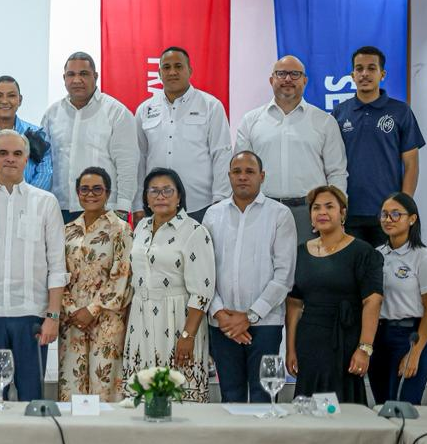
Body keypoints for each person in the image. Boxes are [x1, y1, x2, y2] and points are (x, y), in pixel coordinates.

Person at [0, 130, 68, 403]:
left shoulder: (46, 203)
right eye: (3, 153)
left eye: (17, 154)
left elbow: (57, 265)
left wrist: (53, 317)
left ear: (27, 159)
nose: (10, 159)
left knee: (32, 399)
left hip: (32, 316)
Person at [202, 151, 297, 403]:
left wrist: (249, 316)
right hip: (222, 324)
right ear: (229, 176)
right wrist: (220, 314)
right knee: (230, 396)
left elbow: (284, 275)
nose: (243, 177)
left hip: (266, 324)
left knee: (263, 397)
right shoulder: (213, 214)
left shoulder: (280, 214)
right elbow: (204, 272)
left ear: (262, 176)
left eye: (250, 171)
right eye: (237, 171)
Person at [285, 185, 383, 404]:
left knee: (344, 410)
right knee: (307, 410)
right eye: (316, 208)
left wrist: (364, 348)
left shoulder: (363, 252)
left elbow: (373, 301)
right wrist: (290, 349)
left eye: (329, 207)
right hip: (309, 342)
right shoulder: (300, 252)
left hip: (345, 342)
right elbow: (294, 304)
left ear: (343, 213)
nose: (322, 212)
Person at [234, 55, 347, 243]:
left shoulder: (325, 122)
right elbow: (242, 173)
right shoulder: (250, 121)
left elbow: (337, 172)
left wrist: (334, 213)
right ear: (271, 80)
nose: (288, 79)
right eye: (281, 74)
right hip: (263, 210)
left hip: (310, 213)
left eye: (295, 74)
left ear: (305, 80)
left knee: (308, 262)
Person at [125, 168, 215, 401]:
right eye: (154, 191)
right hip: (141, 317)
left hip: (177, 318)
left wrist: (188, 335)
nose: (160, 196)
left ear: (179, 196)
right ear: (146, 197)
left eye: (167, 190)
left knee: (179, 394)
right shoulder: (141, 227)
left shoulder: (194, 231)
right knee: (142, 395)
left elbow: (202, 291)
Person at [332, 45, 424, 247]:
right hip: (349, 211)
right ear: (352, 75)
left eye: (371, 68)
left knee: (389, 267)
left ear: (382, 74)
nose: (364, 74)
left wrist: (403, 207)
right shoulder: (339, 113)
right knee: (353, 267)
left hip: (388, 213)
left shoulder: (401, 111)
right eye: (359, 68)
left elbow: (411, 164)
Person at [58, 167, 132, 402]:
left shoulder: (121, 229)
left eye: (97, 189)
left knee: (104, 386)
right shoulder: (67, 231)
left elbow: (122, 275)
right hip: (73, 321)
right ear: (78, 193)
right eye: (85, 189)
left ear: (108, 193)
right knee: (72, 387)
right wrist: (72, 309)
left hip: (107, 319)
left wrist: (92, 310)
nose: (90, 194)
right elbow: (58, 273)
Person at [134, 47, 231, 224]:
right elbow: (139, 158)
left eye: (178, 66)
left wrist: (221, 200)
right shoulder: (144, 110)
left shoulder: (211, 106)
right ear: (159, 73)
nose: (172, 72)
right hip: (157, 205)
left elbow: (221, 154)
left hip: (200, 205)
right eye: (166, 67)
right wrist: (137, 204)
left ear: (190, 71)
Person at [41, 52, 139, 223]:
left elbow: (127, 165)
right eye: (71, 74)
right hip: (60, 208)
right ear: (64, 78)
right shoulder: (52, 114)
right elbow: (44, 163)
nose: (77, 80)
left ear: (95, 76)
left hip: (104, 208)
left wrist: (123, 209)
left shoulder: (116, 112)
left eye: (84, 74)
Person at [372, 191, 427, 405]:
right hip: (378, 337)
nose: (388, 219)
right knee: (382, 409)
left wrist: (415, 352)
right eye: (384, 214)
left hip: (409, 337)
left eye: (395, 214)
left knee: (403, 409)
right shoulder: (376, 254)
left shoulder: (423, 257)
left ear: (412, 219)